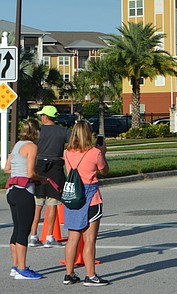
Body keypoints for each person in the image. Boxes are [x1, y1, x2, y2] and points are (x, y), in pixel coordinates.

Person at [62, 120, 110, 286]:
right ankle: (90, 276)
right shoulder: (95, 152)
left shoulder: (66, 152)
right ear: (89, 133)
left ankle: (69, 273)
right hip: (90, 196)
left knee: (72, 238)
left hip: (73, 195)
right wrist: (103, 152)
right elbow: (104, 170)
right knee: (89, 239)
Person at [4, 119, 44, 280]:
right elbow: (30, 173)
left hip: (12, 190)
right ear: (35, 132)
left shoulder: (17, 145)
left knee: (17, 228)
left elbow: (7, 168)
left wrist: (19, 169)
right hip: (24, 191)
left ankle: (15, 266)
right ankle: (22, 268)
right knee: (24, 230)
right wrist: (41, 179)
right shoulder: (32, 147)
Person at [29, 105, 70, 249]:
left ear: (46, 117)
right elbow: (71, 144)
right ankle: (49, 236)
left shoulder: (38, 131)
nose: (41, 117)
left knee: (38, 203)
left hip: (39, 166)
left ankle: (33, 235)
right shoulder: (63, 131)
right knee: (53, 203)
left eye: (42, 115)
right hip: (56, 167)